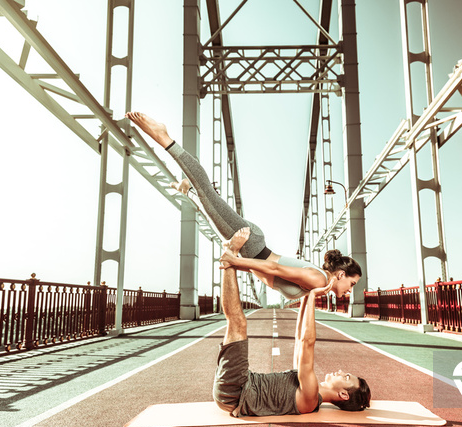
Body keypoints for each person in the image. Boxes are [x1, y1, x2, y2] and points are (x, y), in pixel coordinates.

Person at [125, 111, 362, 300]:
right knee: (209, 195)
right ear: (341, 274)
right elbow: (276, 271)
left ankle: (188, 190)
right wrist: (236, 261)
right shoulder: (319, 280)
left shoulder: (320, 285)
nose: (350, 291)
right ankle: (164, 138)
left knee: (208, 207)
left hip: (253, 249)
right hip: (251, 244)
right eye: (351, 284)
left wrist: (238, 263)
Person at [213, 228, 370, 416]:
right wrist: (307, 294)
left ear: (343, 394)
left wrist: (312, 297)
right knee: (237, 323)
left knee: (238, 323)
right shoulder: (306, 385)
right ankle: (230, 258)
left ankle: (229, 258)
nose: (340, 371)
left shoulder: (311, 397)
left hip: (236, 391)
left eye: (346, 377)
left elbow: (307, 343)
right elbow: (299, 338)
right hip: (239, 386)